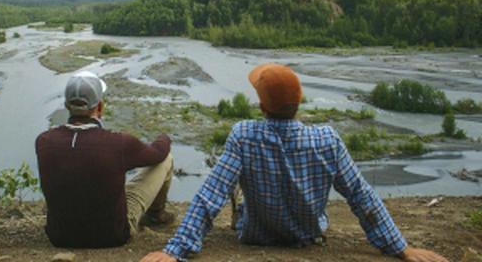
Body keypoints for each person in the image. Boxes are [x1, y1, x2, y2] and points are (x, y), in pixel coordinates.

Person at [141, 64, 448, 262]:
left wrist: (174, 251)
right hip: (308, 235)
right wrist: (401, 248)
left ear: (262, 106)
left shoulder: (244, 136)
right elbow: (359, 194)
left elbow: (211, 194)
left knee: (232, 186)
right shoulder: (327, 139)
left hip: (255, 234)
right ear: (299, 104)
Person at [35, 71, 175, 248]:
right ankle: (156, 215)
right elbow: (158, 153)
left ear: (66, 106)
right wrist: (164, 137)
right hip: (113, 236)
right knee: (165, 160)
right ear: (99, 107)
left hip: (60, 237)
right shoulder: (118, 143)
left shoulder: (44, 141)